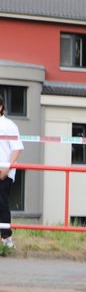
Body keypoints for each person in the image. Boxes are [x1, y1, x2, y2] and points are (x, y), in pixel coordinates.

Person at [0, 96, 24, 250]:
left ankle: (6, 238)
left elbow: (17, 148)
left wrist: (6, 168)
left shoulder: (9, 125)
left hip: (3, 171)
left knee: (1, 204)